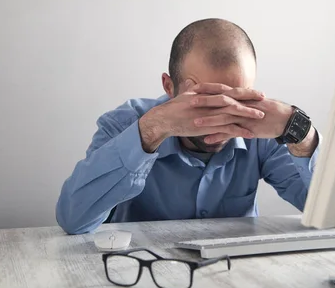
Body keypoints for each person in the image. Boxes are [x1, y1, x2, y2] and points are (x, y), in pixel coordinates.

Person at [56, 18, 320, 234]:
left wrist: (299, 132)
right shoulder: (125, 124)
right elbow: (74, 220)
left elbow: (329, 214)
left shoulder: (262, 131)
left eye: (237, 98)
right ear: (169, 87)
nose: (224, 117)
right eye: (206, 101)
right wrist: (152, 129)